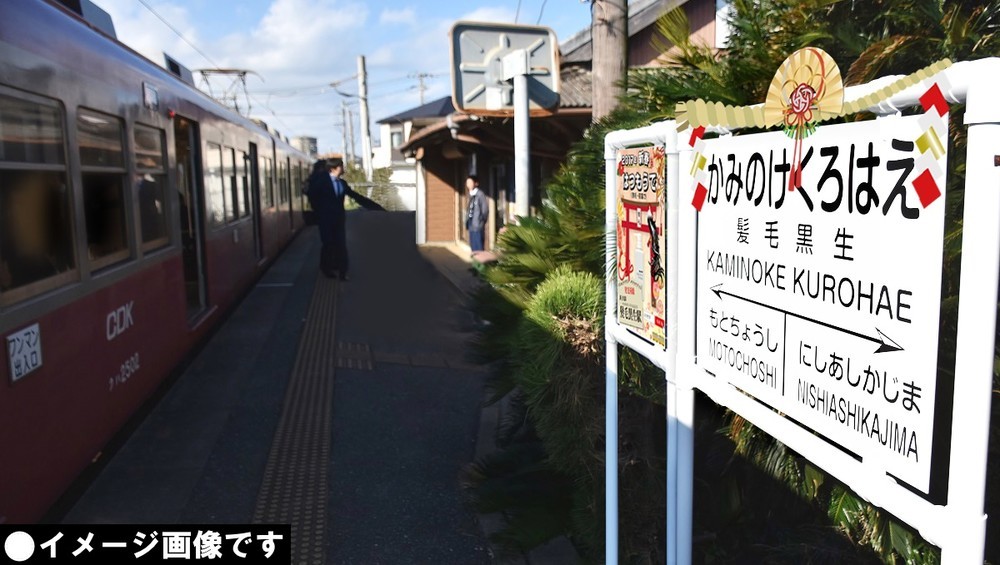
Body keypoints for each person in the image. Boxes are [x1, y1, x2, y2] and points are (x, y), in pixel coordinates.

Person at [465, 175, 488, 252]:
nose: (468, 184)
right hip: (471, 223)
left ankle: (480, 263)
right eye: (467, 182)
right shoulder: (470, 194)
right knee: (473, 245)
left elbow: (485, 210)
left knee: (479, 245)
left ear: (476, 183)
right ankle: (475, 262)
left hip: (478, 224)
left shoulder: (480, 194)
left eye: (470, 182)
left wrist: (481, 221)